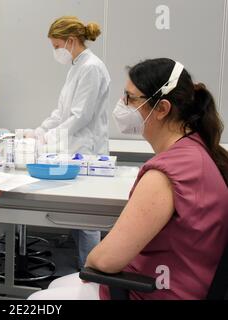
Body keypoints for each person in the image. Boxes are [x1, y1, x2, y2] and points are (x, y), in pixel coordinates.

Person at [29, 58, 228, 300]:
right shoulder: (197, 151)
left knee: (39, 300)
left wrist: (96, 256)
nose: (122, 105)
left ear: (162, 109)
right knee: (56, 286)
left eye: (130, 98)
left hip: (157, 290)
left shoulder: (164, 174)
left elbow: (104, 260)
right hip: (182, 281)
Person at [36, 16, 111, 269]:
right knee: (80, 218)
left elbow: (81, 116)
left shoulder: (91, 67)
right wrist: (41, 130)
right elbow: (62, 112)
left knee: (87, 219)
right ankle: (83, 267)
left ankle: (91, 274)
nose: (55, 51)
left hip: (87, 148)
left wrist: (50, 137)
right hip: (75, 147)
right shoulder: (77, 66)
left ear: (70, 41)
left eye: (56, 46)